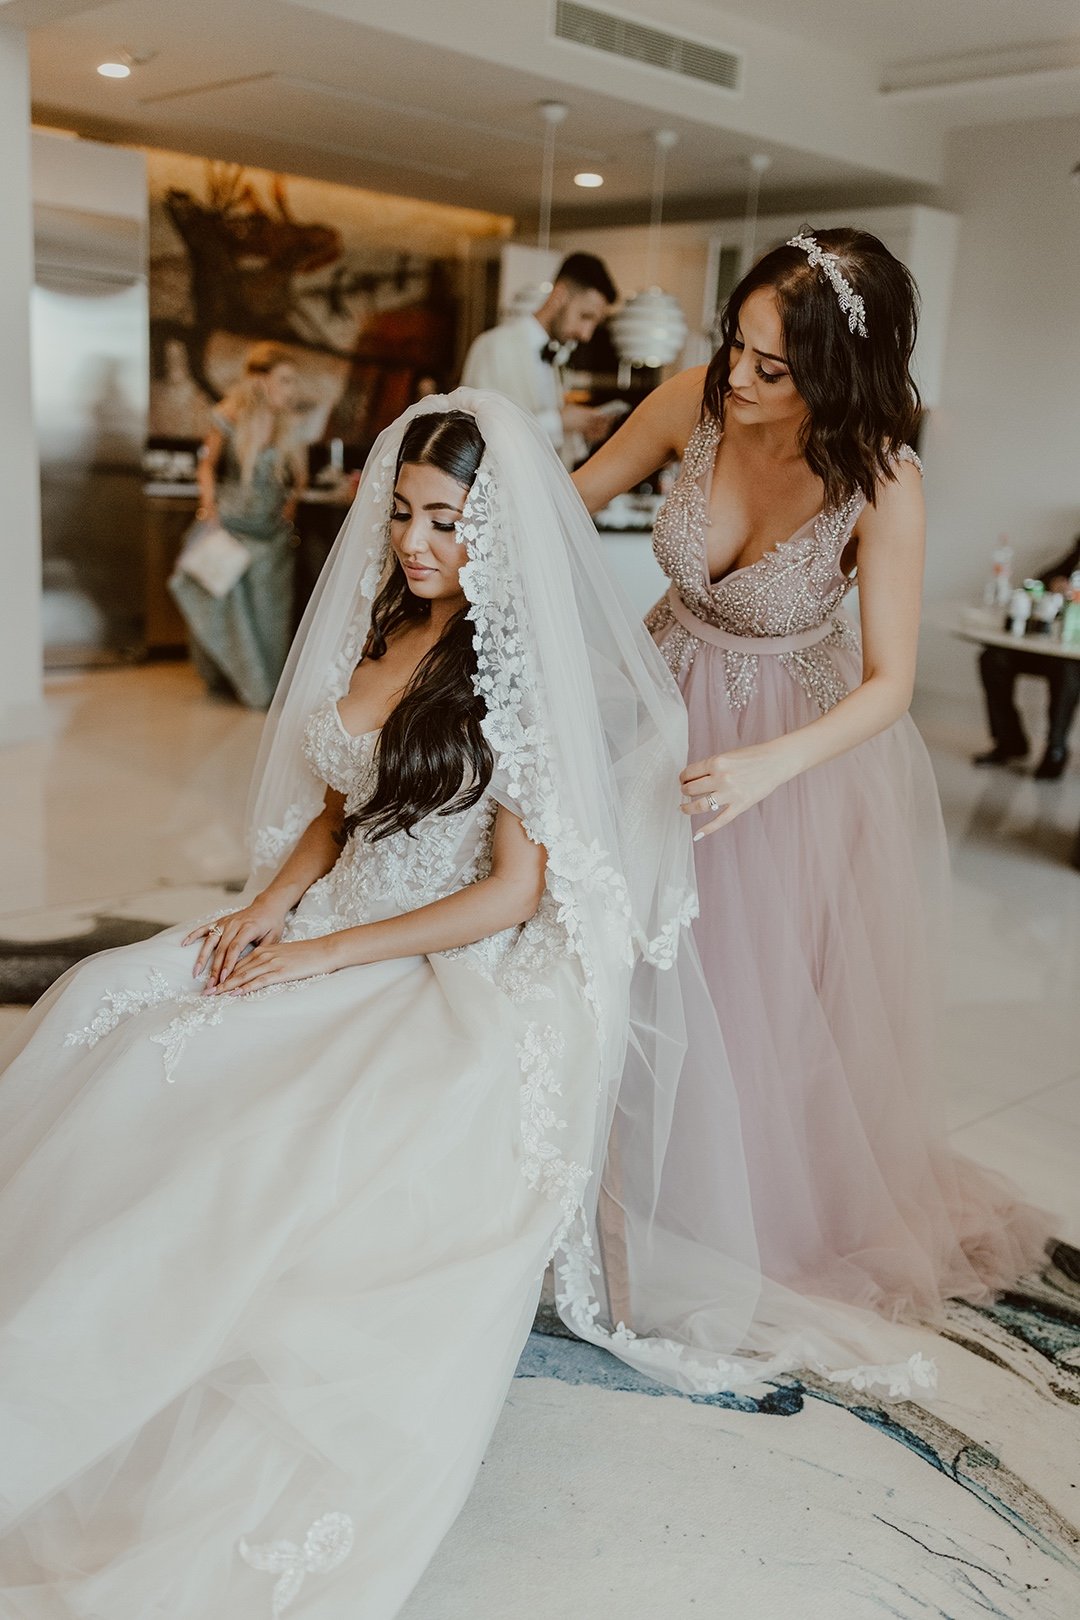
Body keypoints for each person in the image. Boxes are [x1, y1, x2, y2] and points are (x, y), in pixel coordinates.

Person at [0, 392, 718, 1616]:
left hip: (425, 959)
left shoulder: (520, 675)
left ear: (499, 527)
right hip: (329, 918)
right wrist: (270, 909)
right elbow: (338, 809)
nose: (415, 545)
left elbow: (505, 899)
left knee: (256, 1129)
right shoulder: (388, 627)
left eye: (447, 521)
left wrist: (329, 959)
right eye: (401, 516)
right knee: (109, 1000)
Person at [574, 229, 1051, 1347]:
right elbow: (563, 506)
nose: (738, 377)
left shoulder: (881, 476)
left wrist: (766, 767)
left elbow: (891, 684)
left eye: (772, 366)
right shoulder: (691, 399)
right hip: (660, 704)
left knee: (746, 989)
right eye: (734, 345)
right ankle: (595, 1164)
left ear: (837, 371)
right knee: (616, 944)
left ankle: (732, 1202)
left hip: (793, 746)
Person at [171, 342, 308, 709]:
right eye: (285, 380)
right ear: (260, 380)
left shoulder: (288, 425)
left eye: (294, 381)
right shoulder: (228, 416)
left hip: (272, 534)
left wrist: (291, 503)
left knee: (269, 612)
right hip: (231, 527)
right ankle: (232, 682)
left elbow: (298, 477)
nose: (291, 389)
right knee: (227, 606)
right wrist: (208, 509)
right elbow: (207, 466)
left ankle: (265, 689)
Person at [461, 251, 617, 468]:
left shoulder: (557, 356)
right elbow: (474, 433)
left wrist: (581, 431)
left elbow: (548, 449)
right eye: (585, 316)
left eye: (594, 323)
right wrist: (560, 421)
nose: (586, 334)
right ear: (559, 295)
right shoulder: (493, 346)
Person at [974, 533, 1080, 778]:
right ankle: (1010, 740)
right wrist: (1057, 584)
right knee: (993, 658)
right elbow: (1040, 579)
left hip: (1072, 657)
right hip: (1054, 642)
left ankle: (1056, 749)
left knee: (1068, 670)